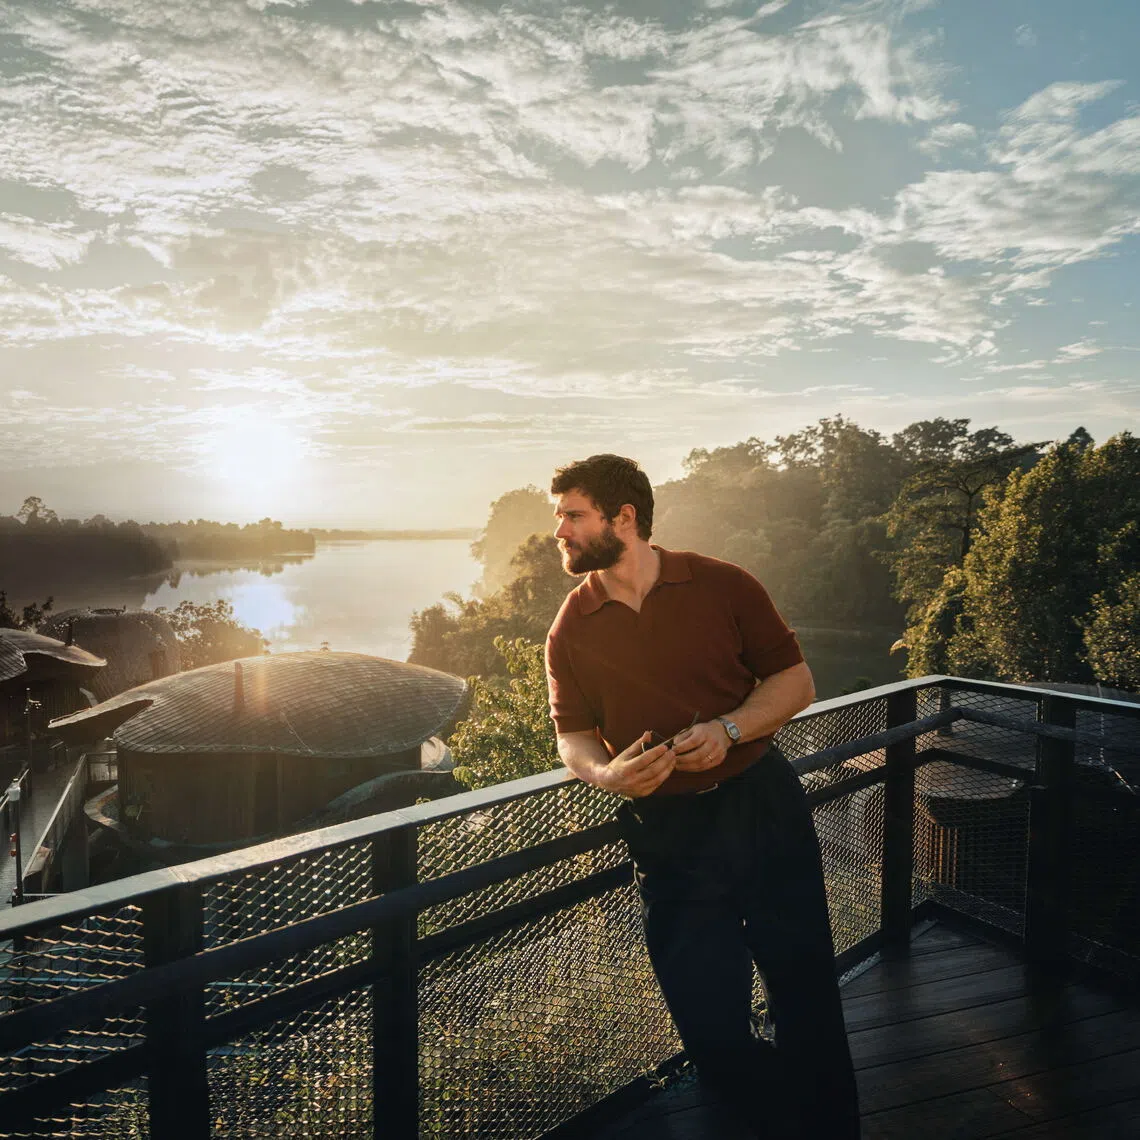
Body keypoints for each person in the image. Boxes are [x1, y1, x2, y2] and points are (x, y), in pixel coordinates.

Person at [543, 454, 860, 1139]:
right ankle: (771, 1117)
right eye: (559, 517)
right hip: (668, 835)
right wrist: (605, 775)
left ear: (623, 518)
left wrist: (730, 728)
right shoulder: (572, 626)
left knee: (804, 990)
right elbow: (571, 735)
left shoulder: (723, 585)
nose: (560, 531)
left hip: (760, 806)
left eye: (573, 515)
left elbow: (796, 682)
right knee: (706, 1017)